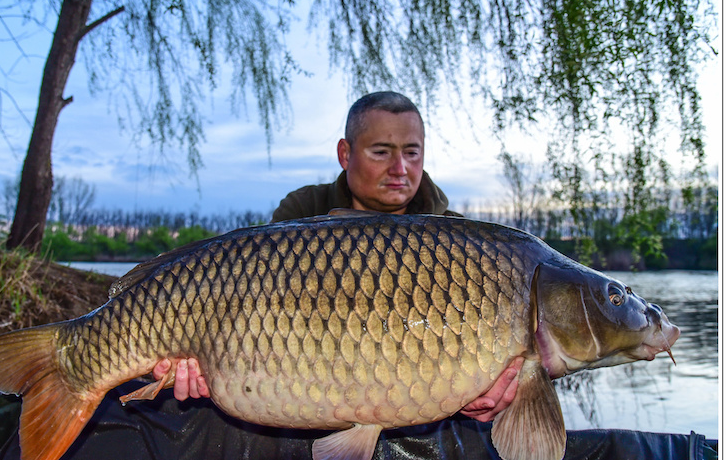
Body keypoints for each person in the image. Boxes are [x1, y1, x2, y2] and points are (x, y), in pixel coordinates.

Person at [152, 91, 521, 422]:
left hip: (415, 406)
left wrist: (493, 391)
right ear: (346, 154)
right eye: (382, 152)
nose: (400, 169)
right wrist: (207, 363)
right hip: (302, 393)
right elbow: (249, 306)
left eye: (412, 152)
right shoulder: (302, 213)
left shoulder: (463, 244)